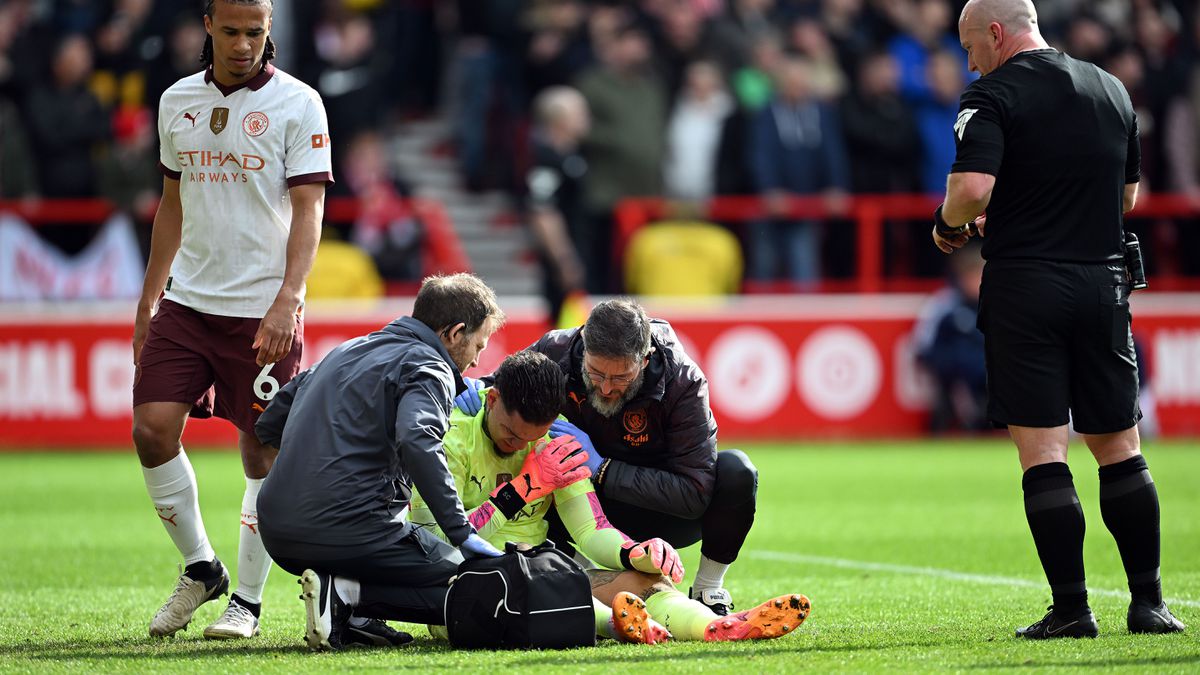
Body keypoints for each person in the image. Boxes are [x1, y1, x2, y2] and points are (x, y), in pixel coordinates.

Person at [933, 0, 1185, 639]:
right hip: (1105, 283)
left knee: (1044, 452)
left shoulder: (989, 94)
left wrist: (948, 227)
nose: (969, 61)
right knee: (1121, 448)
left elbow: (970, 190)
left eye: (970, 46)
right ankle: (1149, 603)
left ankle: (1072, 609)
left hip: (1027, 287)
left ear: (995, 33)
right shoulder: (1111, 87)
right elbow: (1129, 196)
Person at [131, 0, 332, 642]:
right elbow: (171, 204)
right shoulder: (175, 101)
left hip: (262, 309)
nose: (245, 44)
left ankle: (246, 600)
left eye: (257, 32)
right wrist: (148, 298)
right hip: (188, 302)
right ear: (208, 26)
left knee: (260, 453)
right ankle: (201, 567)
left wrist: (288, 298)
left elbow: (309, 209)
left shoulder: (299, 103)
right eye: (234, 30)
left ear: (268, 30)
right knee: (151, 430)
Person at [416, 350, 810, 643]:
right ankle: (619, 625)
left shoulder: (555, 439)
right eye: (511, 433)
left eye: (531, 437)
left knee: (643, 578)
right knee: (538, 590)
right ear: (492, 399)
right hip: (461, 587)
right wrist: (523, 489)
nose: (519, 444)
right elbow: (436, 540)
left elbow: (590, 530)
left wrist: (634, 551)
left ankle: (715, 627)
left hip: (545, 574)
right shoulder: (447, 440)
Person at [253, 273, 508, 651]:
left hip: (275, 529)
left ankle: (353, 614)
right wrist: (461, 532)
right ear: (454, 333)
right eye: (478, 346)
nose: (475, 361)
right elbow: (418, 439)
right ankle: (347, 596)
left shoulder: (346, 349)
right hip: (349, 530)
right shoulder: (431, 365)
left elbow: (268, 423)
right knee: (483, 587)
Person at [458, 298, 758, 617]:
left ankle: (708, 589)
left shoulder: (684, 381)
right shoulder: (556, 350)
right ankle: (579, 576)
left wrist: (603, 468)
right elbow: (501, 390)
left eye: (621, 378)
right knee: (537, 467)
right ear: (584, 347)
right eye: (595, 373)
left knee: (736, 471)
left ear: (645, 360)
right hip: (578, 507)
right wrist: (467, 390)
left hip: (663, 515)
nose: (605, 388)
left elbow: (695, 494)